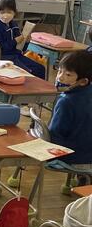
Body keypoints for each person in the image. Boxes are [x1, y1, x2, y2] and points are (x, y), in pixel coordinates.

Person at [48, 51, 92, 179]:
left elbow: (55, 133)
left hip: (73, 157)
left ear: (83, 81)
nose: (60, 78)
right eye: (59, 71)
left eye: (68, 74)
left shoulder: (66, 101)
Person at [0, 0, 46, 79]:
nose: (5, 15)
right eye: (2, 12)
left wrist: (26, 41)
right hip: (3, 57)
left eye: (9, 12)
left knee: (40, 69)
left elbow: (21, 48)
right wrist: (15, 41)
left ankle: (40, 87)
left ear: (14, 13)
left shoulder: (14, 25)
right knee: (28, 74)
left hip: (15, 55)